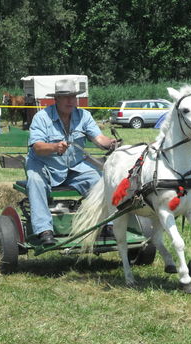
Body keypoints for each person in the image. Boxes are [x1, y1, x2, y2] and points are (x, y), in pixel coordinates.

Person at [26, 79, 117, 246]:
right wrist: (54, 147)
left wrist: (111, 143)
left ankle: (107, 226)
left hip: (74, 168)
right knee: (35, 181)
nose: (70, 101)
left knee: (100, 181)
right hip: (44, 166)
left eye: (73, 97)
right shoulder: (42, 117)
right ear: (56, 99)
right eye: (66, 97)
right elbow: (38, 147)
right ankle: (44, 230)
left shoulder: (83, 115)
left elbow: (99, 138)